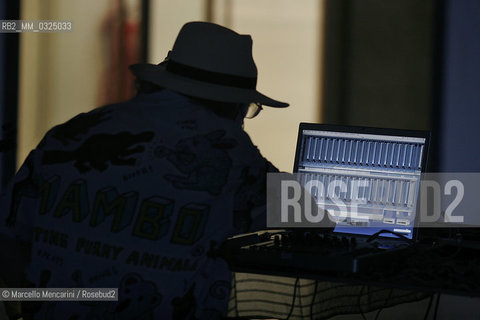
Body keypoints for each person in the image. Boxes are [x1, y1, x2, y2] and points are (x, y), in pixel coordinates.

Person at [0, 21, 289, 319]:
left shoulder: (70, 133)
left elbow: (9, 242)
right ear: (234, 106)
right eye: (249, 110)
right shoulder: (233, 154)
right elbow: (313, 223)